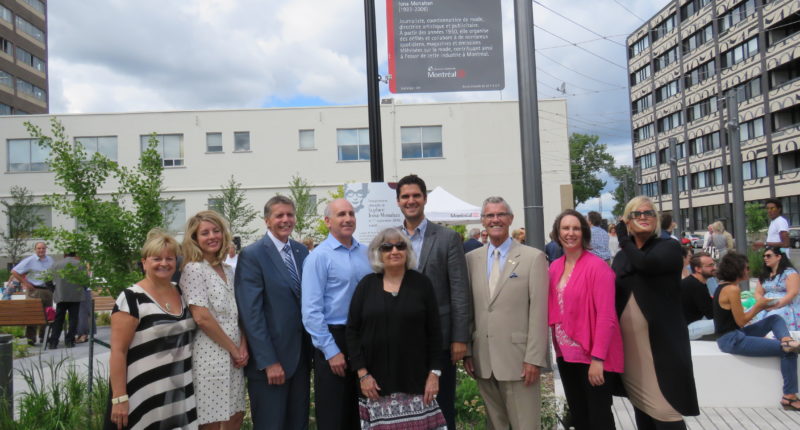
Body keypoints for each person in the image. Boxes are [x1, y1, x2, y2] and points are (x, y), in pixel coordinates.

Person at [346, 228, 446, 429]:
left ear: (407, 251)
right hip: (375, 386)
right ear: (378, 253)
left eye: (400, 246)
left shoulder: (422, 284)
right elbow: (352, 332)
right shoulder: (366, 286)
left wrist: (434, 374)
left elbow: (435, 333)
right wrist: (363, 374)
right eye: (387, 247)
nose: (394, 251)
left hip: (417, 384)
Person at [612, 196, 698, 428]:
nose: (643, 217)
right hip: (631, 349)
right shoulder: (622, 257)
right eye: (636, 214)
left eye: (649, 213)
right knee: (642, 409)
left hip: (661, 346)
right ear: (628, 220)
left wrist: (622, 237)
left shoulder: (668, 247)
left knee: (666, 410)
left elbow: (645, 265)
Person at [463, 196, 549, 429]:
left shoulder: (533, 258)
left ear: (510, 219)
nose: (495, 219)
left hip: (519, 362)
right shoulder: (470, 260)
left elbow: (540, 312)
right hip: (483, 361)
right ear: (483, 221)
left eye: (501, 214)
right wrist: (468, 350)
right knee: (496, 425)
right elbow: (468, 309)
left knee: (525, 425)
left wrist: (534, 358)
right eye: (490, 215)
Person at [395, 174, 470, 430]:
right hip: (402, 341)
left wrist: (460, 338)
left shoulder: (447, 238)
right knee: (409, 409)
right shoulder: (391, 241)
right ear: (398, 202)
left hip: (439, 340)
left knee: (441, 408)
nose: (411, 200)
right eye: (405, 196)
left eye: (416, 195)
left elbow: (459, 291)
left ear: (425, 199)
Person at [106, 229, 197, 430]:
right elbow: (118, 352)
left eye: (170, 258)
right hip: (143, 393)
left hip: (178, 392)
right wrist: (119, 398)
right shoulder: (131, 299)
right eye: (157, 258)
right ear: (145, 262)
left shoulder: (182, 291)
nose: (164, 263)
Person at [235, 196, 311, 430]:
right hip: (271, 362)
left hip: (300, 358)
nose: (286, 220)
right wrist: (269, 361)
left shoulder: (301, 251)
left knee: (297, 424)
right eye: (279, 215)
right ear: (267, 220)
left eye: (290, 214)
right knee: (271, 425)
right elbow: (251, 313)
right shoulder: (252, 255)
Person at [547, 210, 623, 430]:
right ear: (557, 232)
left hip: (592, 357)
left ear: (584, 232)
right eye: (565, 228)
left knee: (599, 419)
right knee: (579, 417)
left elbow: (607, 316)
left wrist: (598, 359)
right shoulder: (554, 267)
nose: (570, 233)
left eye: (576, 228)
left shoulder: (598, 267)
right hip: (565, 355)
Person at [302, 198, 372, 430]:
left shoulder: (367, 253)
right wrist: (331, 351)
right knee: (335, 415)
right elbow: (311, 311)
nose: (348, 219)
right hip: (334, 341)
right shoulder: (318, 257)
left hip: (364, 340)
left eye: (351, 213)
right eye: (341, 214)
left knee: (364, 413)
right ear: (327, 221)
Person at [181, 211, 247, 429]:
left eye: (216, 231)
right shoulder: (193, 269)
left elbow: (241, 312)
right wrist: (234, 350)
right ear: (195, 239)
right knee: (211, 419)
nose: (212, 236)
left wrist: (243, 346)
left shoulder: (229, 270)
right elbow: (202, 318)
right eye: (205, 233)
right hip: (210, 355)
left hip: (237, 355)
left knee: (235, 415)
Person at [712, 252, 800, 411]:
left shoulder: (724, 286)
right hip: (732, 339)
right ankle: (789, 397)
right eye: (746, 268)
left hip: (735, 334)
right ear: (737, 269)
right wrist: (759, 306)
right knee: (789, 352)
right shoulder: (732, 289)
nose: (749, 271)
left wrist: (762, 306)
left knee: (775, 319)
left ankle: (786, 339)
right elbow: (741, 321)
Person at [11, 241, 54, 345]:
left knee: (47, 314)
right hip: (34, 290)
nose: (41, 250)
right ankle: (31, 339)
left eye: (43, 248)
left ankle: (44, 337)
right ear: (35, 250)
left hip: (47, 289)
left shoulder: (50, 260)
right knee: (32, 314)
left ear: (46, 249)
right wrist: (25, 283)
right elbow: (14, 271)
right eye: (39, 248)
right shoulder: (30, 260)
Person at [754, 247, 800, 331]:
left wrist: (775, 305)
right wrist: (762, 303)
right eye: (764, 256)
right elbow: (757, 292)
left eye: (768, 256)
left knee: (773, 316)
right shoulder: (765, 274)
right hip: (765, 304)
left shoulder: (790, 273)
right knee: (751, 315)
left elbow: (793, 293)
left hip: (785, 304)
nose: (765, 258)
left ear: (778, 257)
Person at [47, 252, 86, 349]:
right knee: (73, 319)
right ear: (74, 254)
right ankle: (69, 341)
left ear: (64, 255)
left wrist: (54, 290)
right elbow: (85, 281)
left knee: (58, 319)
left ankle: (53, 342)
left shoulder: (56, 264)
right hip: (75, 296)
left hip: (61, 295)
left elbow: (47, 279)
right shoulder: (80, 265)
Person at [680, 252, 715, 340]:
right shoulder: (695, 286)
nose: (714, 268)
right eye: (710, 265)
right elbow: (711, 313)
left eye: (713, 264)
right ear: (698, 269)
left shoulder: (695, 282)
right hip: (685, 330)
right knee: (727, 321)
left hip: (687, 325)